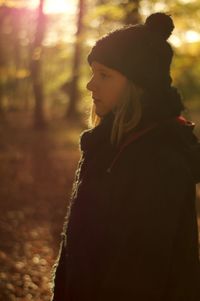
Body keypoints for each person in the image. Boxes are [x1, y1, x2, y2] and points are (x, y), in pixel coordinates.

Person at [50, 12, 200, 301]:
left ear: (139, 86)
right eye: (93, 72)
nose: (90, 85)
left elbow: (139, 279)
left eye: (104, 75)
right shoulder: (107, 145)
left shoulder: (158, 162)